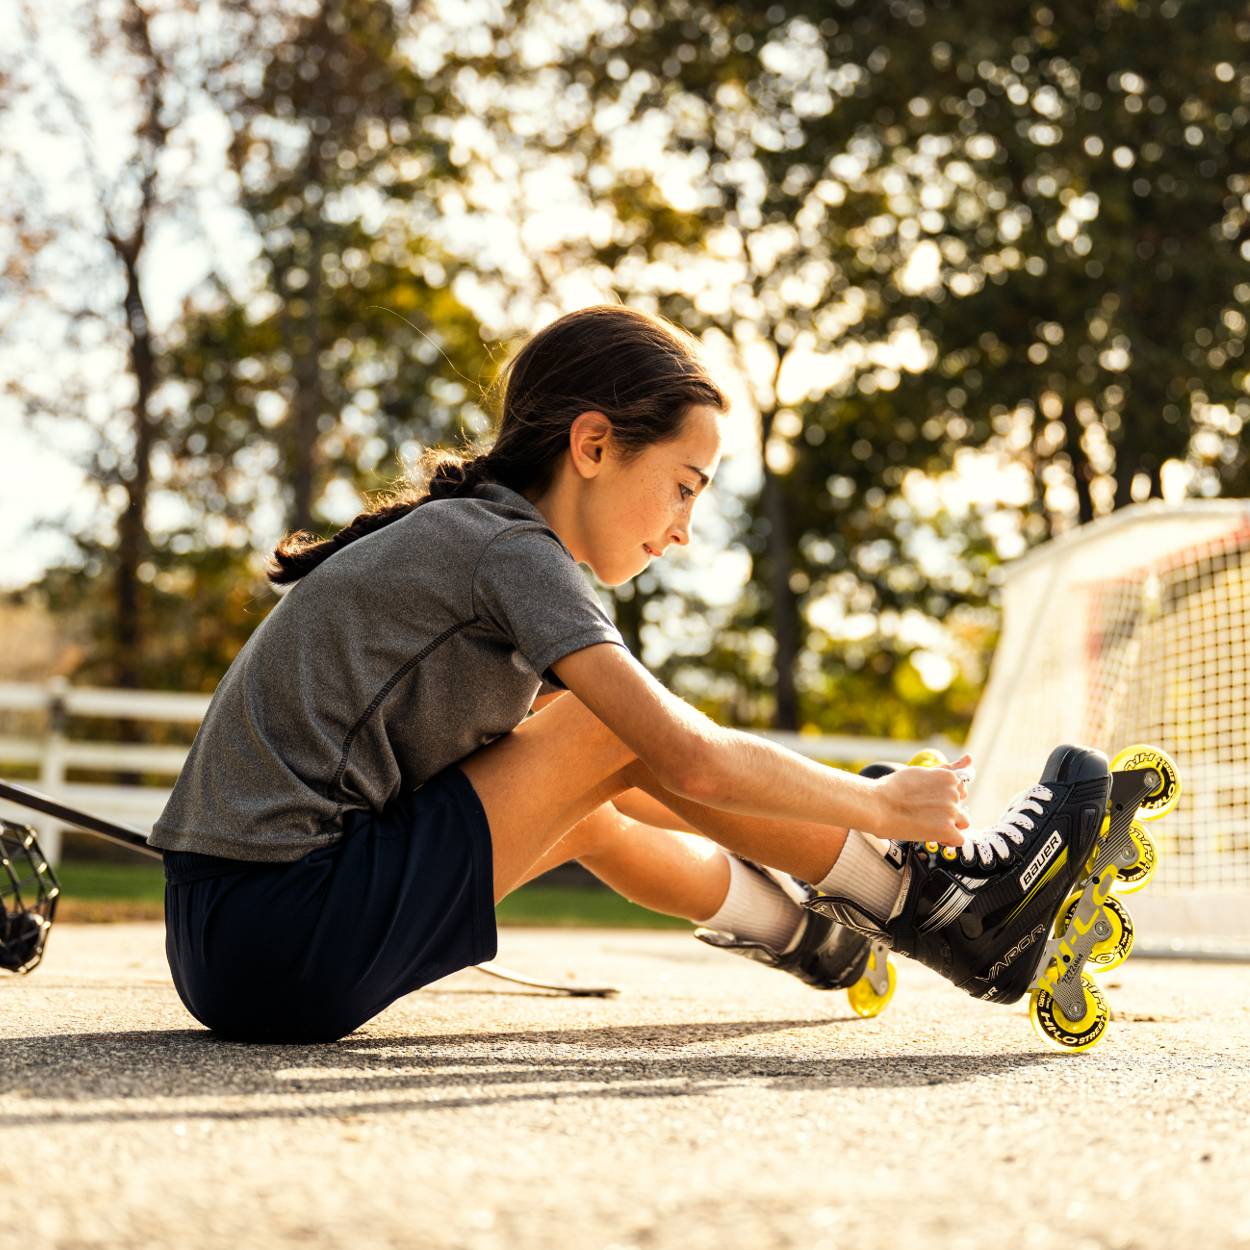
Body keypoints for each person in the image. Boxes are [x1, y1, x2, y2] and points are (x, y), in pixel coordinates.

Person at [149, 303, 981, 1044]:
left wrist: (811, 838)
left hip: (221, 948)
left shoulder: (471, 539)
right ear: (592, 445)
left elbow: (646, 781)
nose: (685, 529)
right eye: (683, 488)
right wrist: (877, 805)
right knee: (602, 727)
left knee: (590, 802)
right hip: (282, 933)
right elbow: (688, 759)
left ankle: (808, 933)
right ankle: (921, 900)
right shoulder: (510, 552)